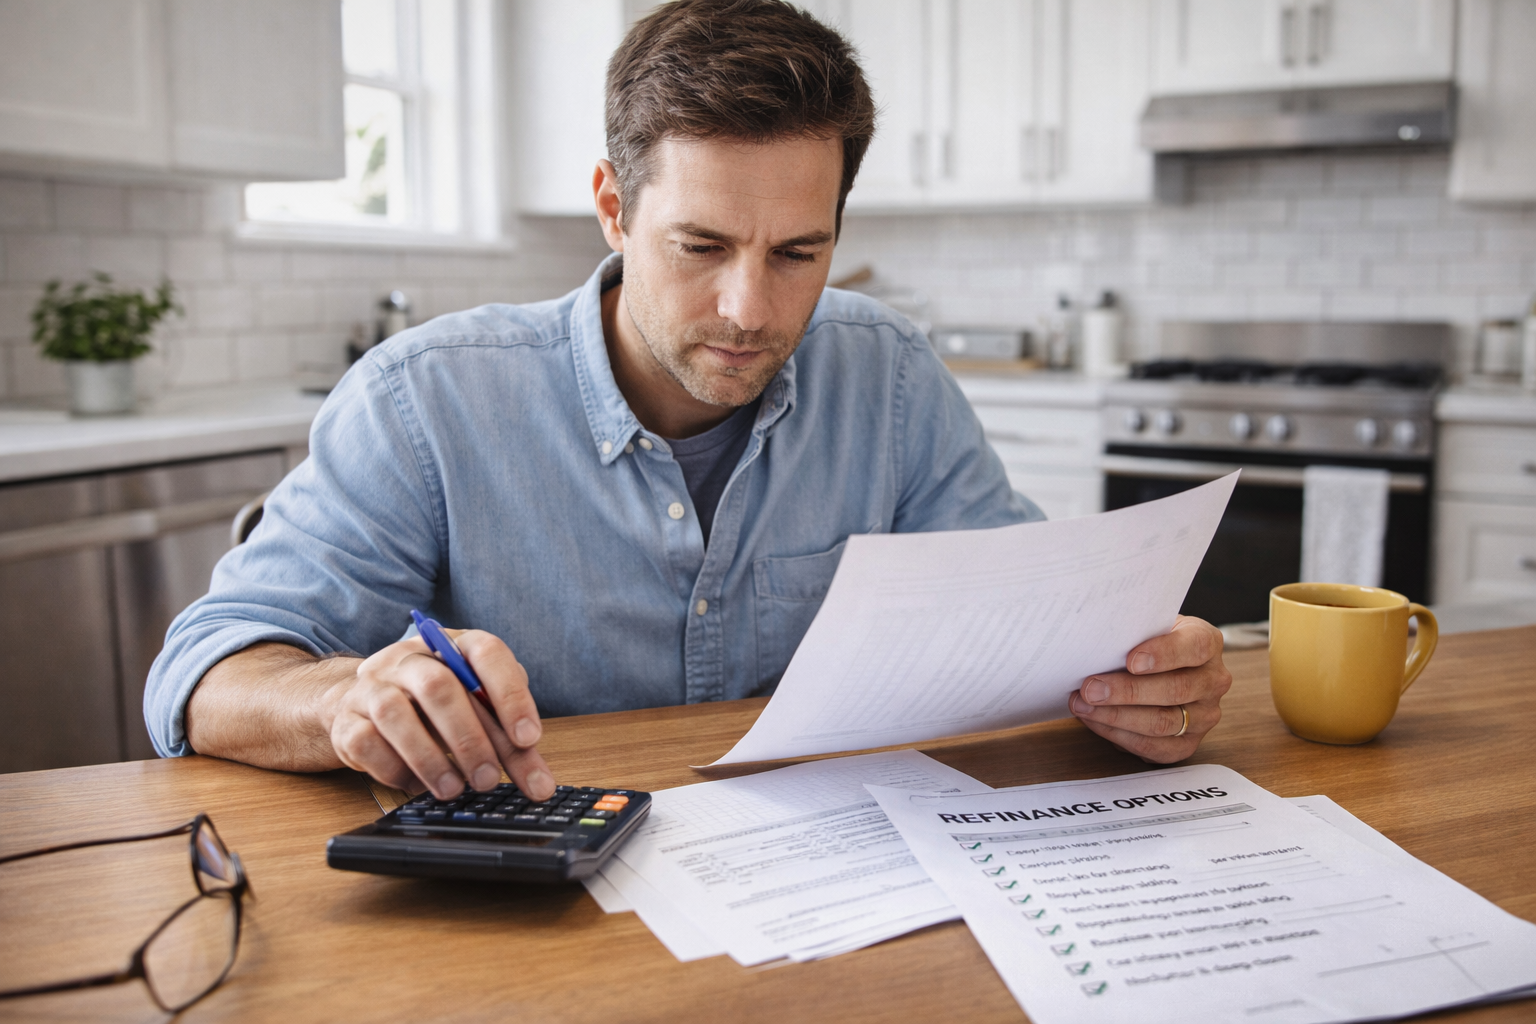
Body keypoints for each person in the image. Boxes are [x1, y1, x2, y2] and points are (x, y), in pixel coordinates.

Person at [146, 0, 1230, 805]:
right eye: (701, 245)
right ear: (614, 209)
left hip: (833, 890)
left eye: (801, 251)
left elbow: (1030, 622)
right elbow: (207, 674)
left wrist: (1136, 675)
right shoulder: (425, 400)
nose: (749, 308)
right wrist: (343, 700)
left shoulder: (892, 376)